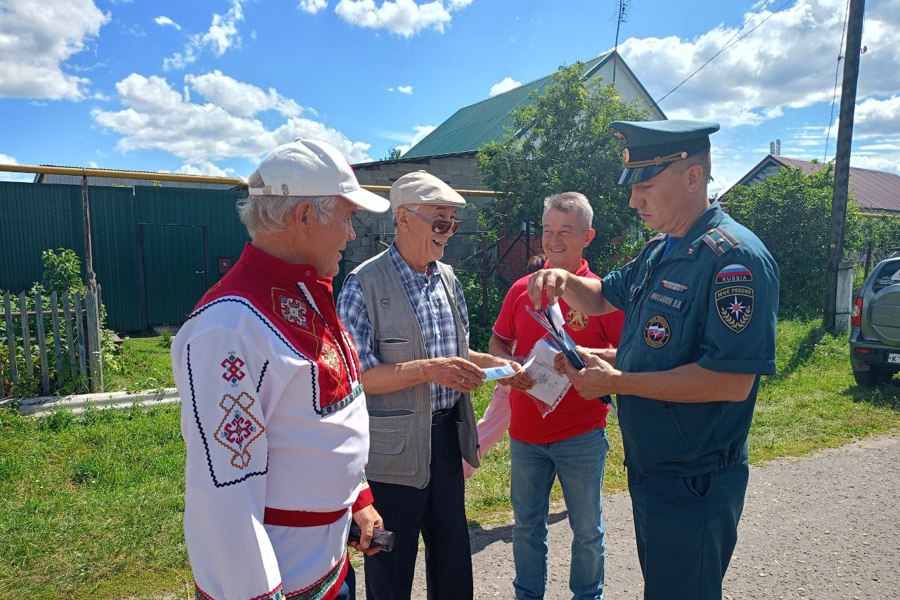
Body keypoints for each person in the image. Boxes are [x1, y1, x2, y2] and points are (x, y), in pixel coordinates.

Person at [528, 120, 780, 600]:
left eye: (645, 185)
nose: (633, 200)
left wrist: (617, 381)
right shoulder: (661, 250)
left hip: (695, 477)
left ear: (693, 177)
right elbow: (603, 296)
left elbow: (729, 381)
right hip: (655, 467)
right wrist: (563, 279)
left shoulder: (734, 260)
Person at [171, 138, 389, 600]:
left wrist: (357, 499)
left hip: (330, 565)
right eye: (347, 217)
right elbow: (224, 495)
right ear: (304, 216)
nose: (352, 234)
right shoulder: (228, 328)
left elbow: (320, 423)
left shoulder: (308, 294)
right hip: (282, 584)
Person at [337, 170, 517, 600]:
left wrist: (500, 365)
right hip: (391, 451)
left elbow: (458, 350)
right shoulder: (362, 284)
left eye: (453, 223)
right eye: (440, 223)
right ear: (403, 219)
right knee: (389, 563)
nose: (448, 233)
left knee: (453, 555)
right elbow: (356, 376)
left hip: (447, 438)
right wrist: (429, 369)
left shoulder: (448, 279)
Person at [489, 193, 624, 600]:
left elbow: (628, 355)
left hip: (582, 433)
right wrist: (508, 369)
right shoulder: (518, 289)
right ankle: (527, 595)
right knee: (526, 528)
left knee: (587, 529)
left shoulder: (602, 294)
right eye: (548, 231)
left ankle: (588, 595)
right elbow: (498, 342)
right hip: (526, 434)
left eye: (565, 231)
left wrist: (586, 359)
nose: (553, 240)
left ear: (588, 236)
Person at [462, 253, 547, 480]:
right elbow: (499, 340)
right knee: (493, 426)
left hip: (515, 379)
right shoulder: (523, 296)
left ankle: (463, 466)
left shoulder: (522, 295)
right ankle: (462, 466)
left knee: (491, 426)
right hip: (516, 381)